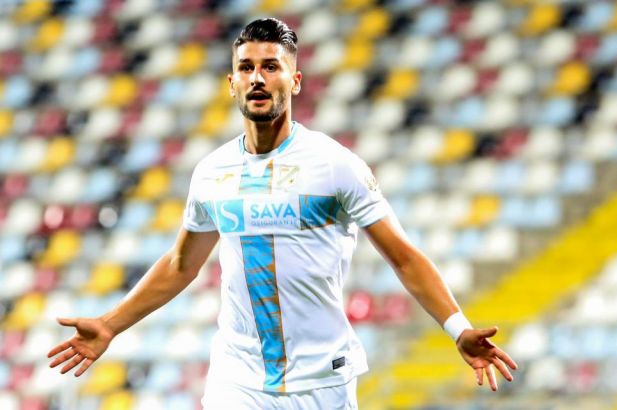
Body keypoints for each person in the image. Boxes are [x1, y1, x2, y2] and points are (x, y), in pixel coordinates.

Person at [47, 17, 517, 409]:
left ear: (294, 80)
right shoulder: (211, 173)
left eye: (271, 67)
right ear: (232, 83)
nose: (257, 78)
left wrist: (458, 328)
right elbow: (181, 265)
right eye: (246, 68)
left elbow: (404, 257)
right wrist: (110, 324)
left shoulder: (336, 165)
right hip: (237, 379)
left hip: (322, 381)